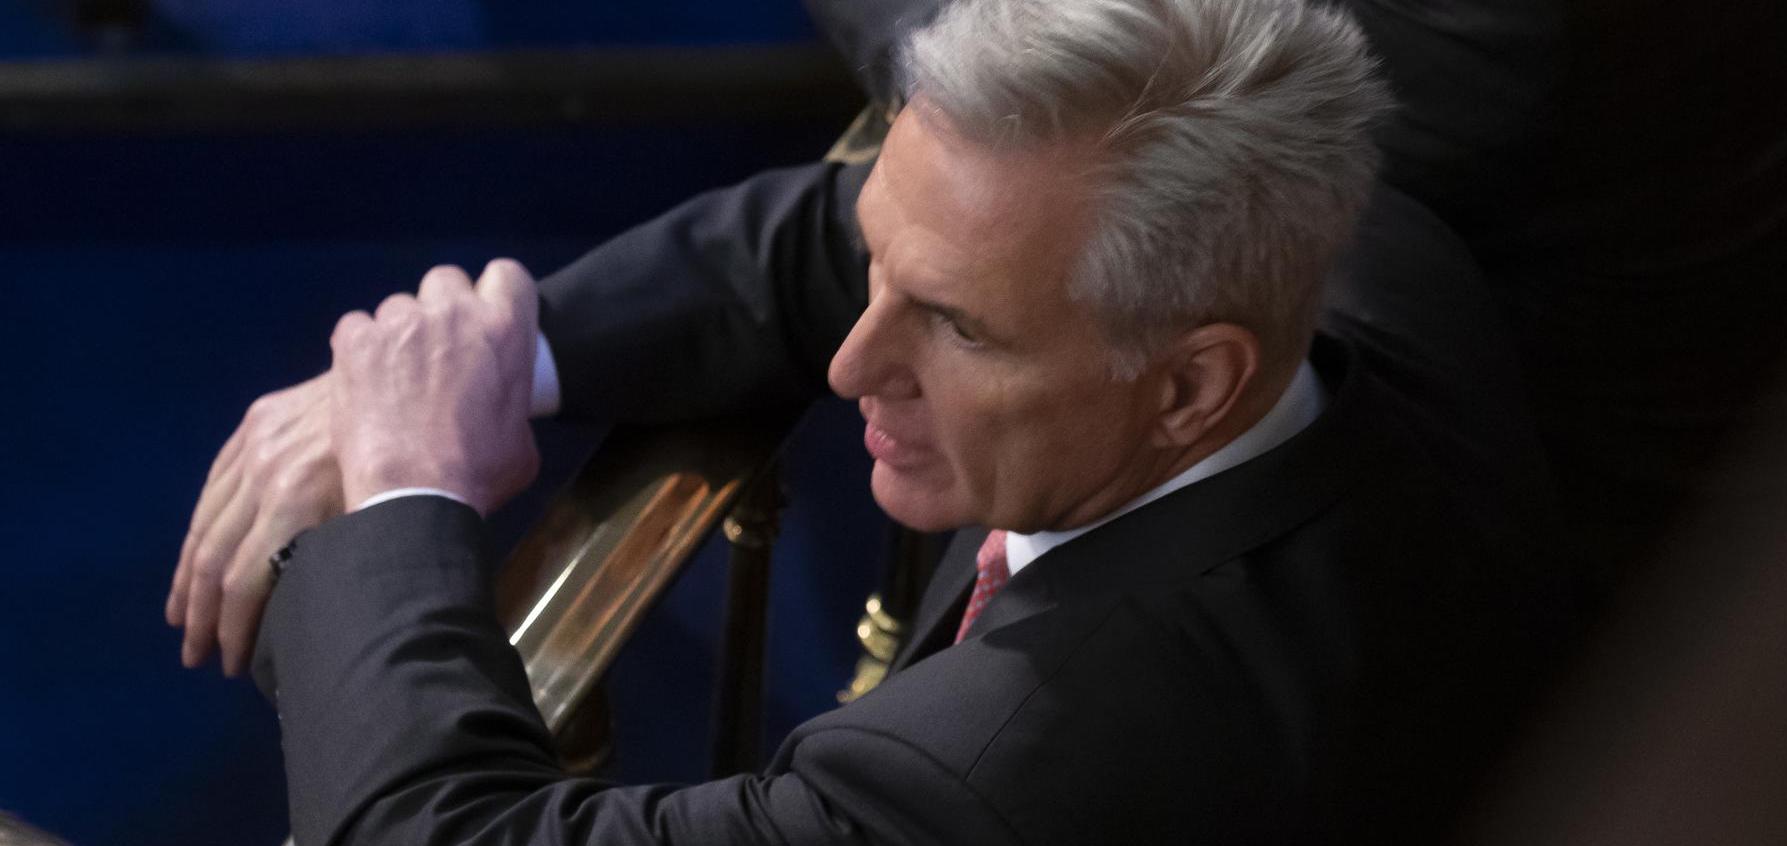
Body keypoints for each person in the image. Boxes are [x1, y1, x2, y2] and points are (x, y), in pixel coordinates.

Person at [193, 0, 1584, 841]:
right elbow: (835, 238)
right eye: (887, 273)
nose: (854, 362)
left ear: (1186, 385)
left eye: (957, 329)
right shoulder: (1359, 257)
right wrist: (508, 358)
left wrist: (403, 488)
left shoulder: (1011, 769)